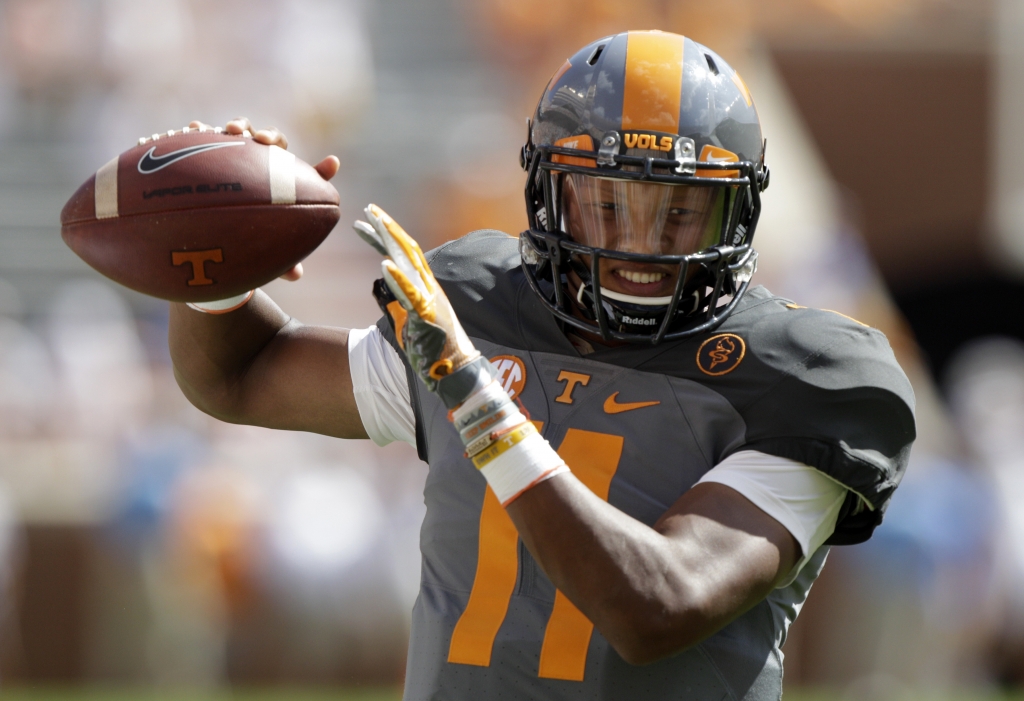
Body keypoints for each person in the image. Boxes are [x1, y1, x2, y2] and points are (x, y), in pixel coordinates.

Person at [170, 30, 916, 701]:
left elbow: (658, 604)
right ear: (547, 193)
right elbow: (242, 376)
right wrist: (213, 264)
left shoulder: (798, 374)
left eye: (679, 210)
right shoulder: (481, 310)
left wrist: (479, 401)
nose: (642, 244)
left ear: (738, 212)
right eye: (608, 202)